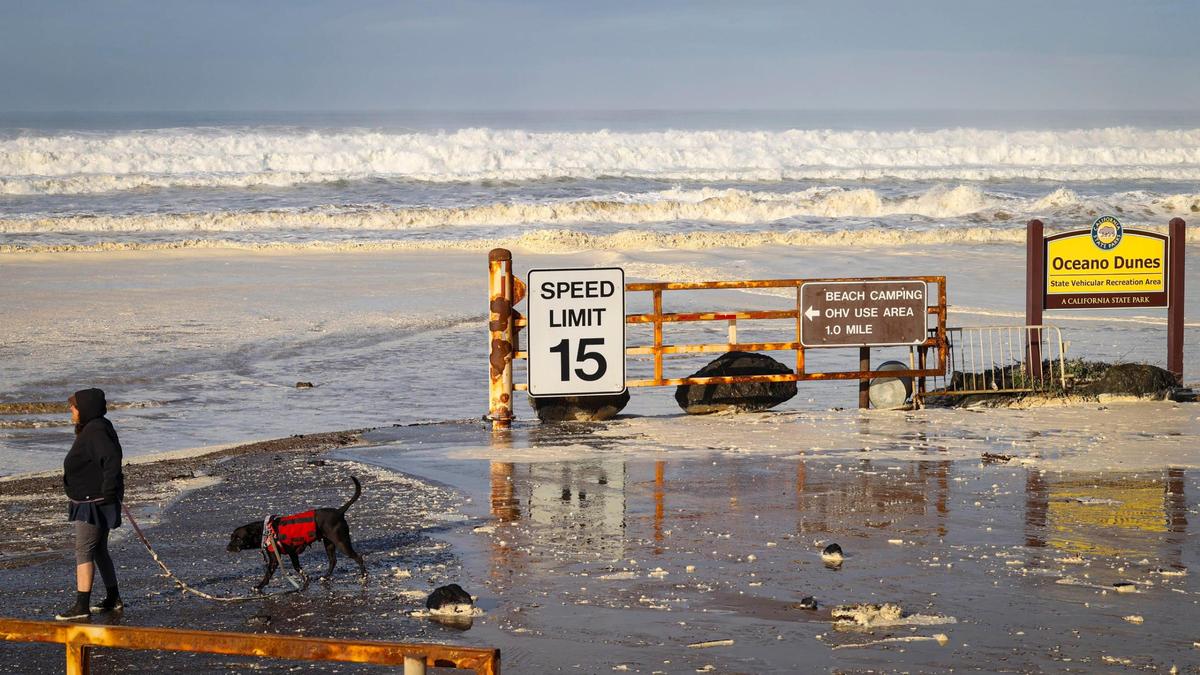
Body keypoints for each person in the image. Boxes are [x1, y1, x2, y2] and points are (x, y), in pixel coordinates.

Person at [56, 388, 125, 620]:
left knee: (84, 549)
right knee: (98, 548)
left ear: (85, 408)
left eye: (73, 407)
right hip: (92, 498)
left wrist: (109, 491)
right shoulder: (95, 427)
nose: (71, 411)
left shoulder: (96, 430)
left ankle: (81, 606)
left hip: (94, 501)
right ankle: (113, 598)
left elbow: (112, 459)